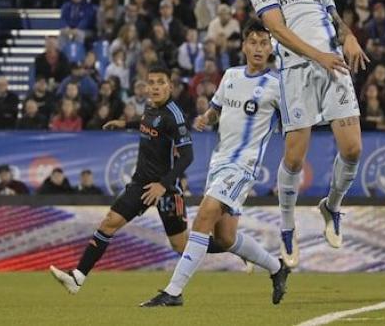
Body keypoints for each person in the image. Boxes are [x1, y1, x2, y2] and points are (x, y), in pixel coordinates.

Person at [248, 0, 369, 268]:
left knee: (353, 149)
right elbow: (278, 30)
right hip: (298, 71)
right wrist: (318, 55)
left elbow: (335, 21)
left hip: (333, 66)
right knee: (295, 157)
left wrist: (349, 37)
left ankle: (331, 206)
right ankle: (287, 226)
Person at [141, 23, 290, 307]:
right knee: (225, 237)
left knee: (204, 216)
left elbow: (296, 122)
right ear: (244, 46)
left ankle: (174, 291)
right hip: (219, 162)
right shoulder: (231, 76)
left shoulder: (277, 87)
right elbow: (217, 109)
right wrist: (205, 119)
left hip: (243, 167)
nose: (258, 48)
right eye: (253, 42)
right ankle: (277, 267)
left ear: (271, 49)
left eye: (264, 43)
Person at [50, 65, 194, 294]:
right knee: (109, 223)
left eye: (160, 82)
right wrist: (125, 124)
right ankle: (77, 278)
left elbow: (187, 156)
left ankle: (233, 247)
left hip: (166, 189)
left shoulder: (175, 117)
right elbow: (148, 122)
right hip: (140, 184)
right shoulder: (151, 107)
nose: (155, 87)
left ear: (170, 86)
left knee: (182, 246)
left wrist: (163, 185)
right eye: (151, 82)